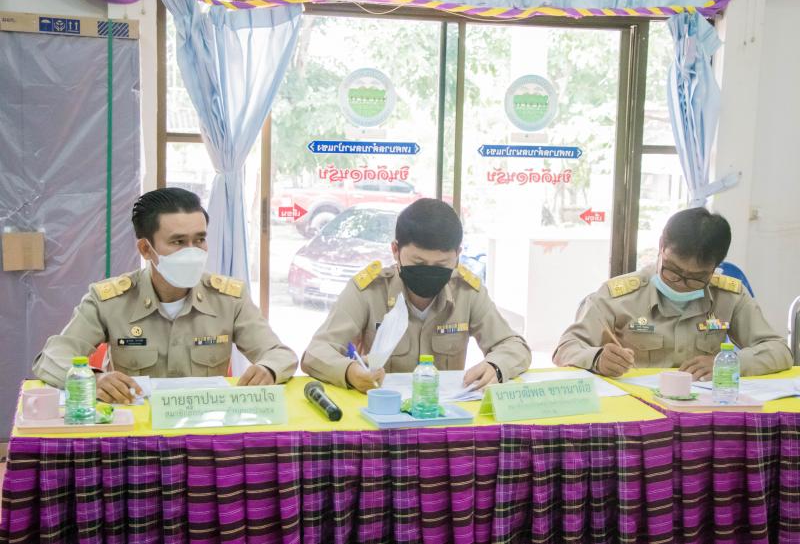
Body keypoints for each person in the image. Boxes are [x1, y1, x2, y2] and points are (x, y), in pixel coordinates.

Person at [33, 188, 297, 402]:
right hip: (135, 432)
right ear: (145, 249)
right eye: (178, 242)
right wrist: (94, 379)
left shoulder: (229, 298)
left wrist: (267, 369)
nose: (193, 252)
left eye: (200, 239)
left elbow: (279, 354)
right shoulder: (109, 301)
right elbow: (51, 358)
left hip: (203, 430)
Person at [301, 198, 531, 392]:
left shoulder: (467, 292)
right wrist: (349, 372)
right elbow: (316, 352)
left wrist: (496, 367)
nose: (429, 271)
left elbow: (514, 346)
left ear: (458, 255)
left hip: (444, 415)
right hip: (381, 414)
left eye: (441, 264)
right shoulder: (368, 291)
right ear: (395, 250)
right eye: (418, 262)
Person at [553, 207, 792, 380]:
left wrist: (729, 364)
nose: (681, 284)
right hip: (639, 412)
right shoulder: (618, 295)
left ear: (715, 267)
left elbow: (779, 350)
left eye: (697, 277)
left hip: (703, 410)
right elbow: (566, 348)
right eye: (673, 271)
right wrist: (597, 359)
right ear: (661, 247)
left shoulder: (729, 295)